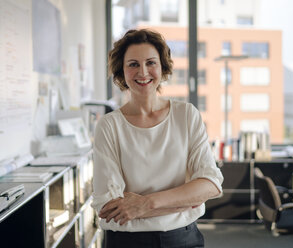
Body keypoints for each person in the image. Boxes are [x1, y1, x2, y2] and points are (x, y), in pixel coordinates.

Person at [91, 28, 224, 248]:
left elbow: (211, 184)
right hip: (127, 242)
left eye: (151, 63)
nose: (143, 72)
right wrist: (185, 199)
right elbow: (109, 207)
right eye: (133, 64)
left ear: (162, 67)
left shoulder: (186, 115)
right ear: (121, 71)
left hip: (183, 239)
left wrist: (145, 204)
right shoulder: (109, 125)